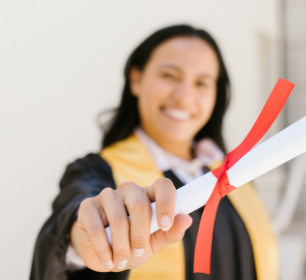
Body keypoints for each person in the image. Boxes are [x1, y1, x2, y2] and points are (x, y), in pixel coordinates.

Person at [30, 24, 277, 280]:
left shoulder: (233, 174)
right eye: (170, 75)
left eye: (202, 83)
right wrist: (88, 239)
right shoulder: (96, 172)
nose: (184, 96)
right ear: (136, 79)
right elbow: (73, 216)